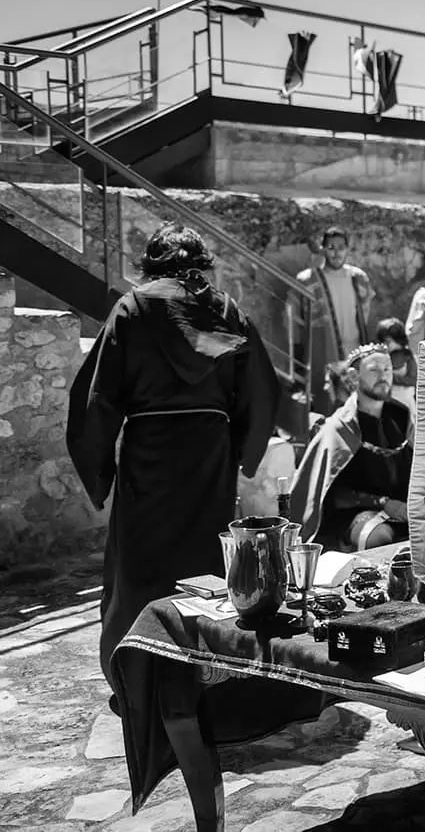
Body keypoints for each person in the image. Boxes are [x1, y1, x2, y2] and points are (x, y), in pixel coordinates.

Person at [67, 222, 279, 705]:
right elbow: (260, 389)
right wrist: (245, 453)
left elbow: (96, 400)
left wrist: (99, 471)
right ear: (201, 262)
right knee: (205, 563)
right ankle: (207, 677)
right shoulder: (224, 310)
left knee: (143, 566)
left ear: (151, 264)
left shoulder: (132, 309)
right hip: (209, 454)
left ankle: (139, 677)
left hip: (150, 454)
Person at [289, 344, 413, 552]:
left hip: (402, 508)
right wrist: (383, 502)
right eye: (374, 369)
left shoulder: (401, 416)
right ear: (354, 377)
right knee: (380, 537)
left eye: (387, 369)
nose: (383, 376)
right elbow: (333, 493)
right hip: (357, 513)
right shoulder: (338, 427)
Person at [292, 226, 374, 414]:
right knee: (325, 406)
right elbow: (296, 322)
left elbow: (365, 313)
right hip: (323, 354)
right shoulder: (307, 280)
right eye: (331, 247)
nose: (336, 252)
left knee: (357, 408)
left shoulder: (359, 278)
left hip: (354, 352)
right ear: (323, 248)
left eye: (341, 247)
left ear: (347, 249)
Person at [375, 316, 418, 414]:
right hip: (387, 404)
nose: (385, 345)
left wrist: (391, 377)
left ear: (398, 340)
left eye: (388, 342)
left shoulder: (407, 356)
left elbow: (413, 380)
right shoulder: (382, 357)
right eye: (383, 342)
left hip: (405, 402)